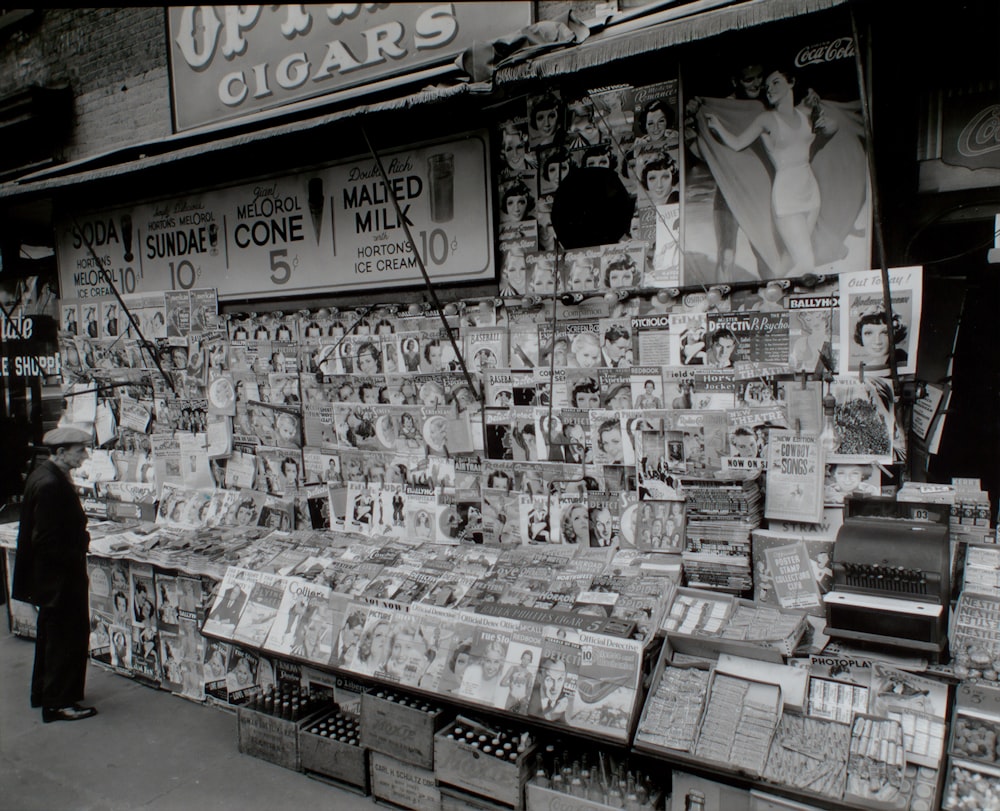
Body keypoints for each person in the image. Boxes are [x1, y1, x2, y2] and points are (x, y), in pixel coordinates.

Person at [704, 67, 831, 274]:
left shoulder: (804, 112)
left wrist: (820, 111)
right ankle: (778, 294)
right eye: (767, 87)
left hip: (810, 188)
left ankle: (769, 293)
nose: (769, 89)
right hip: (787, 193)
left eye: (775, 83)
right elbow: (737, 143)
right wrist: (717, 125)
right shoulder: (766, 119)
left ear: (791, 83)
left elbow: (830, 127)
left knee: (793, 256)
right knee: (806, 257)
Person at [12, 426, 99, 722]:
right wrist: (78, 550)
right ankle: (60, 703)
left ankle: (45, 694)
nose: (85, 456)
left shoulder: (44, 474)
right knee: (67, 638)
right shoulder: (51, 484)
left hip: (50, 578)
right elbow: (47, 540)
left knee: (52, 637)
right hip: (60, 579)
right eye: (80, 451)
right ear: (61, 453)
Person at [458, 639, 506, 704]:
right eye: (488, 661)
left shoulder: (502, 682)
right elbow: (460, 699)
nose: (491, 667)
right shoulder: (472, 671)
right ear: (483, 660)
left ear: (501, 663)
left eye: (496, 662)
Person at [528, 656, 569, 721]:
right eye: (549, 680)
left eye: (560, 679)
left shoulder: (565, 701)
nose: (555, 687)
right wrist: (551, 715)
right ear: (539, 678)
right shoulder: (528, 694)